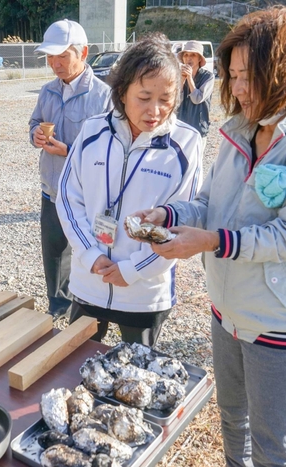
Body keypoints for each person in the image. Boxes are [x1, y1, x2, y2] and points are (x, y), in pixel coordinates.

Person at [130, 7, 286, 465]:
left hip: (281, 321)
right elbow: (208, 204)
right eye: (233, 74)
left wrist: (211, 242)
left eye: (249, 76)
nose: (238, 88)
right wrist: (167, 212)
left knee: (273, 444)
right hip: (228, 310)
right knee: (232, 419)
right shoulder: (242, 129)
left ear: (284, 71)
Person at [56, 33, 202, 346]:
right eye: (144, 97)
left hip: (143, 294)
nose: (155, 110)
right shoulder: (92, 130)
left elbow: (180, 224)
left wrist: (133, 271)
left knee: (135, 383)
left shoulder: (186, 143)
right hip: (88, 282)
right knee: (77, 372)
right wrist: (91, 255)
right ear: (122, 92)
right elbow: (69, 200)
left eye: (166, 99)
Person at [29, 19, 113, 319]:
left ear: (84, 53)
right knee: (53, 253)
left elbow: (109, 149)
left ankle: (90, 309)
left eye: (62, 56)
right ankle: (58, 307)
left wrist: (69, 151)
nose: (55, 64)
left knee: (87, 250)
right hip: (51, 188)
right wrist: (36, 133)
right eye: (50, 57)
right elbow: (34, 122)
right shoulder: (47, 91)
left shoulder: (103, 96)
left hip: (87, 196)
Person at [175, 41, 214, 151]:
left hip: (198, 127)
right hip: (180, 126)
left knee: (196, 164)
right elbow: (176, 101)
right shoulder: (178, 75)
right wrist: (182, 80)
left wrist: (189, 78)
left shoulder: (208, 77)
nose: (188, 58)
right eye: (186, 55)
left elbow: (197, 99)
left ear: (199, 59)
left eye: (193, 55)